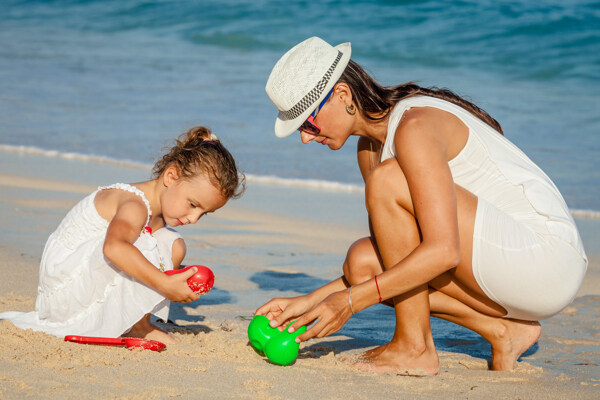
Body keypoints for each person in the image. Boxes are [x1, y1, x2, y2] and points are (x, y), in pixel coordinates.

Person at [256, 37, 587, 375]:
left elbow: (444, 252)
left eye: (306, 123)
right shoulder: (370, 151)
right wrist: (310, 301)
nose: (305, 138)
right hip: (502, 265)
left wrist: (351, 302)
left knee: (387, 184)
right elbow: (397, 255)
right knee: (363, 264)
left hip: (546, 259)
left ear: (342, 96)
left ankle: (414, 347)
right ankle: (504, 331)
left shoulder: (414, 126)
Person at [0, 126, 245, 344]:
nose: (193, 219)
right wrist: (163, 283)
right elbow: (114, 248)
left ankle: (136, 318)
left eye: (204, 213)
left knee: (173, 244)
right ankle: (137, 326)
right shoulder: (134, 204)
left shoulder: (156, 210)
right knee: (143, 244)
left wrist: (176, 278)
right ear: (171, 176)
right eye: (193, 205)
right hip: (64, 292)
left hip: (86, 276)